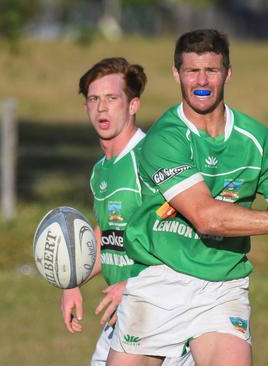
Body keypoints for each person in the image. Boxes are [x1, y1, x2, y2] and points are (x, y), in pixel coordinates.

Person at [107, 29, 268, 366]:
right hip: (160, 280)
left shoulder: (256, 139)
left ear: (228, 73)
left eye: (212, 71)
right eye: (191, 71)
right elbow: (206, 217)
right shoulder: (165, 138)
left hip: (223, 286)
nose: (201, 81)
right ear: (177, 74)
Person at [59, 57, 193, 366]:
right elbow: (109, 237)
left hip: (165, 320)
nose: (102, 108)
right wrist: (72, 282)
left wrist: (134, 286)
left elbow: (184, 241)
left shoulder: (150, 160)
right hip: (121, 321)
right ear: (85, 108)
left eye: (111, 98)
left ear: (133, 105)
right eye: (94, 99)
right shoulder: (101, 170)